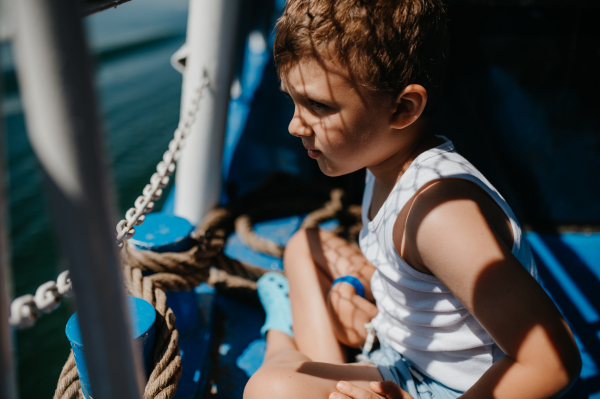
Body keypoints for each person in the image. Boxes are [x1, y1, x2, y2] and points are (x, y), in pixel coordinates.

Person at [243, 0, 582, 398]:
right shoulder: (385, 162)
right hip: (405, 352)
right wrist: (357, 285)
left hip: (451, 388)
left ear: (403, 108)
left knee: (272, 388)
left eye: (317, 105)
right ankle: (305, 355)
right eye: (292, 100)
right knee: (305, 245)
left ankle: (281, 339)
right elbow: (418, 278)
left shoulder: (441, 217)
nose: (294, 125)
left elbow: (552, 363)